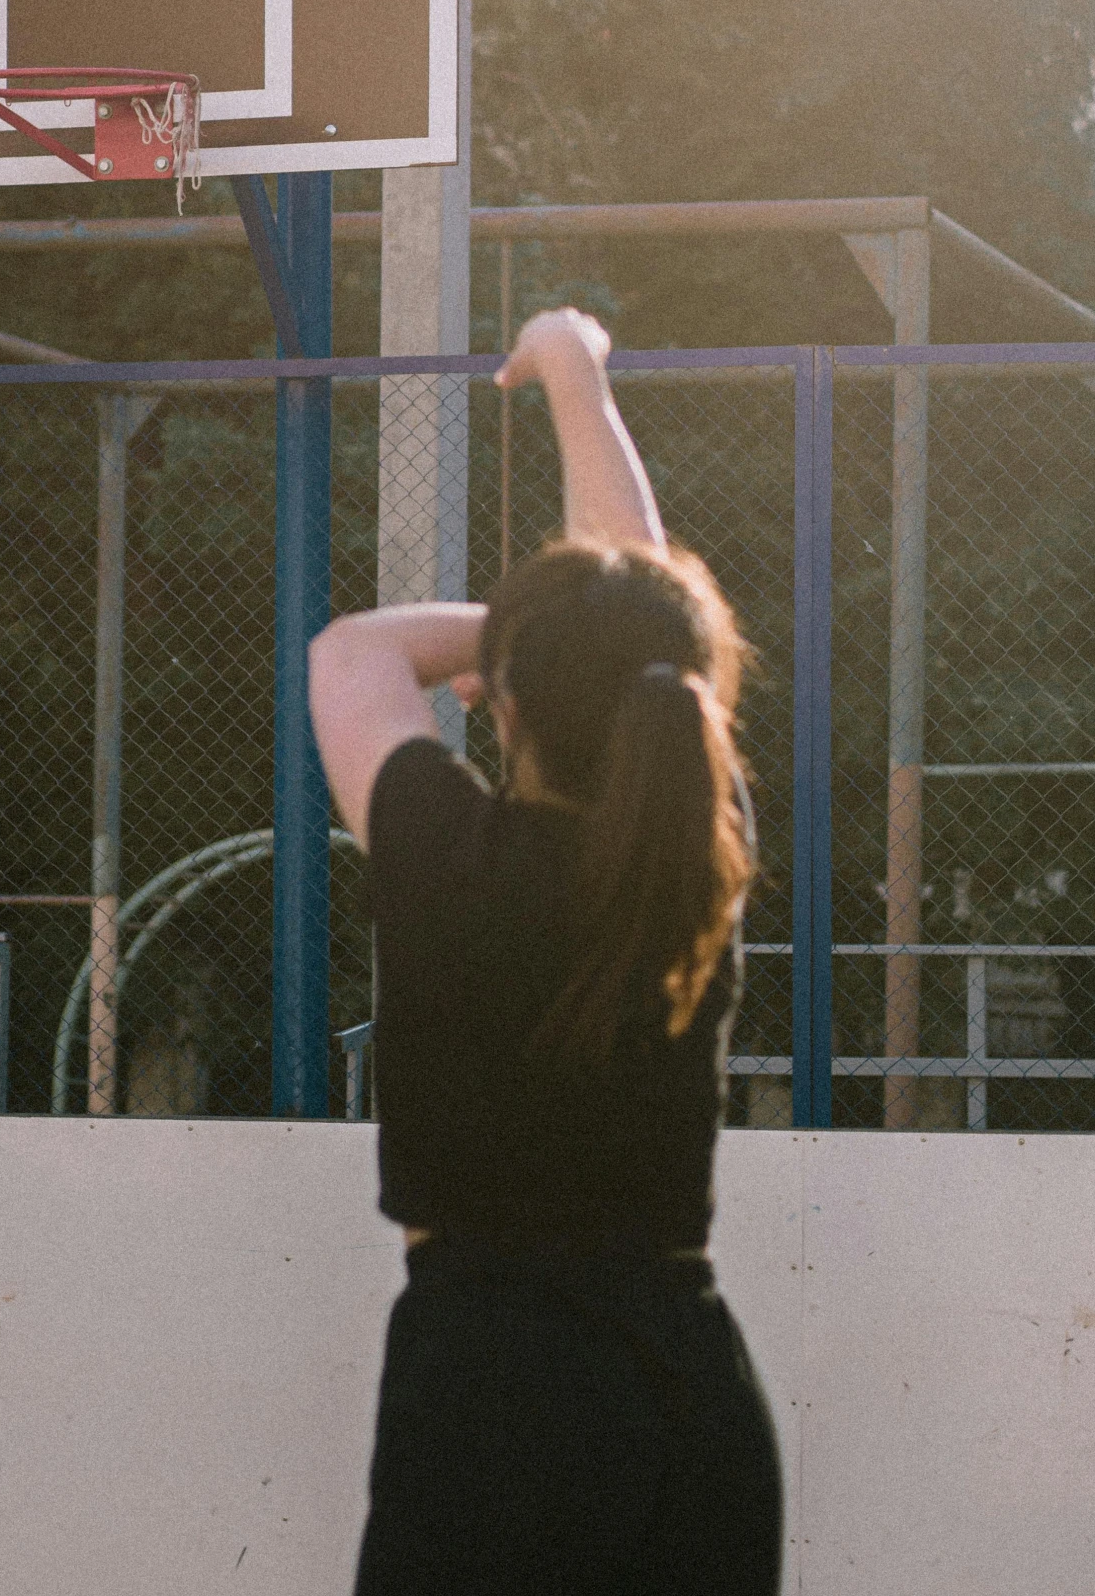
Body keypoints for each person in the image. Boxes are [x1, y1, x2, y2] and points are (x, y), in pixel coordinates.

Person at [308, 307, 783, 1596]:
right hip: (689, 1399)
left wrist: (517, 641)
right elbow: (640, 613)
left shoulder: (448, 860)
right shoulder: (695, 863)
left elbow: (352, 653)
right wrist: (575, 369)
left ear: (504, 709)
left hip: (489, 1402)